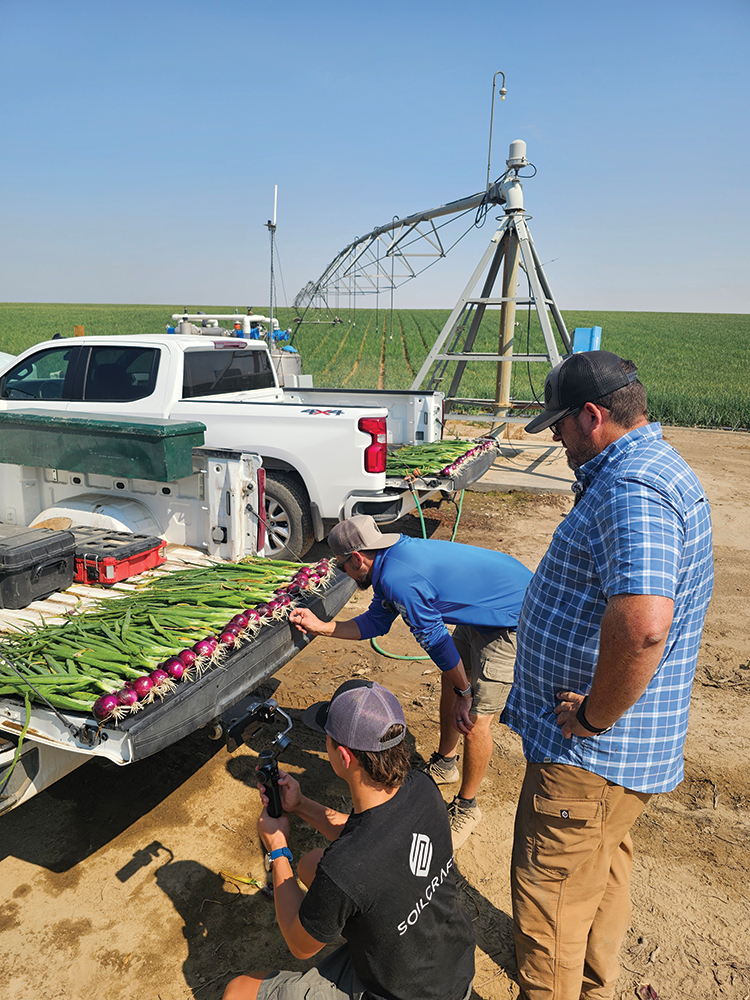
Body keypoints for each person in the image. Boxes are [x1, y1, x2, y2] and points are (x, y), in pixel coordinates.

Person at [502, 350, 714, 1000]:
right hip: (616, 765)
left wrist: (594, 715)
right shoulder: (647, 468)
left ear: (592, 416)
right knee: (603, 865)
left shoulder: (633, 489)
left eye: (560, 426)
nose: (558, 440)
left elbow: (646, 624)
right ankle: (598, 982)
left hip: (591, 753)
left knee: (549, 905)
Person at [222, 678, 475, 1000]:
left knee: (239, 991)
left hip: (403, 992)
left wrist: (278, 850)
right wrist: (300, 806)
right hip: (453, 966)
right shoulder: (422, 786)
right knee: (313, 863)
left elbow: (300, 946)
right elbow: (369, 839)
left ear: (343, 756)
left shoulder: (346, 868)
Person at [289, 515, 532, 848]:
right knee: (453, 682)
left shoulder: (398, 578)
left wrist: (465, 692)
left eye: (343, 565)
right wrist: (324, 626)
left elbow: (434, 639)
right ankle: (446, 764)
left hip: (511, 616)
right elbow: (375, 622)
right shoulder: (390, 561)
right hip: (480, 610)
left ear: (358, 558)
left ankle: (467, 807)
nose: (343, 572)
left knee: (475, 719)